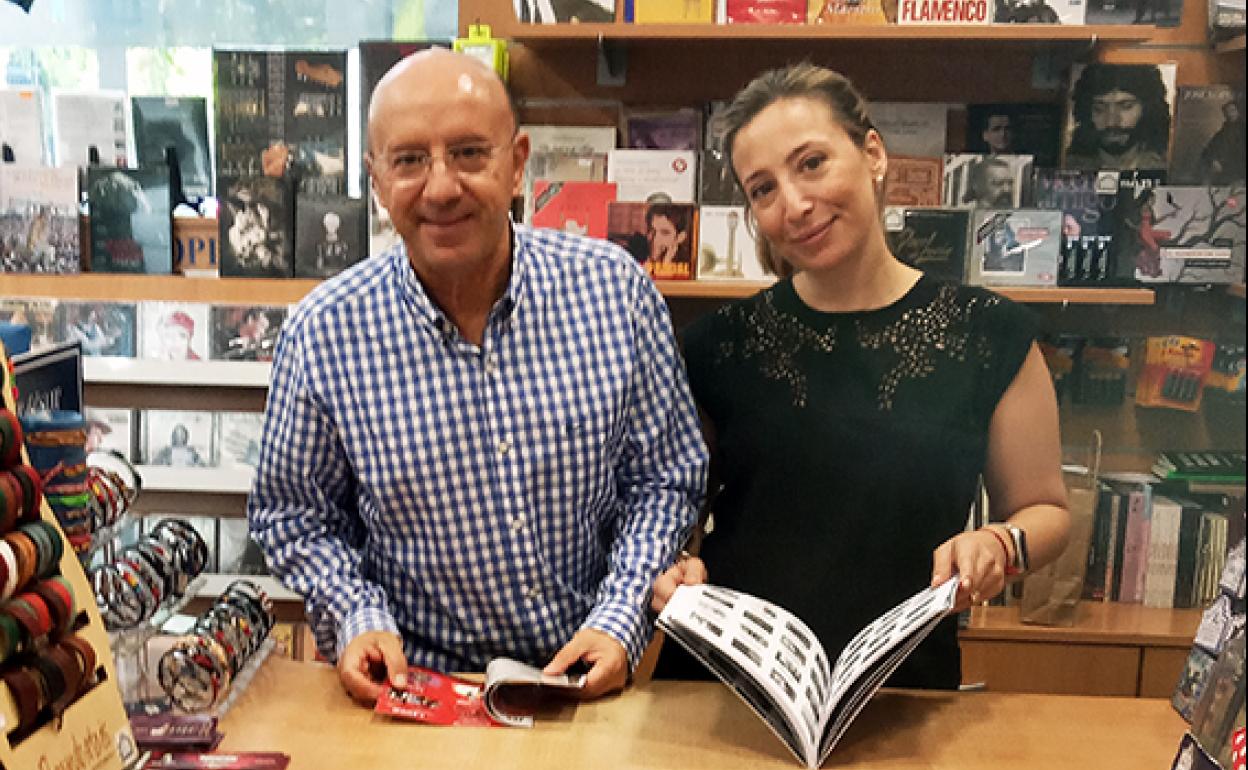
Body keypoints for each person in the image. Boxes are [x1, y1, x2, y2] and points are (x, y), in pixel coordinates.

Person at [247, 49, 707, 705]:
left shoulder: (615, 293)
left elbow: (664, 479)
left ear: (517, 163)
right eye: (408, 161)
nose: (440, 187)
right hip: (418, 693)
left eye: (468, 153)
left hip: (588, 677)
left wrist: (620, 618)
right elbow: (296, 515)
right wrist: (355, 614)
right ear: (376, 179)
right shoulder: (323, 332)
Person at [650, 63, 1071, 690]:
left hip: (899, 691)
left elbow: (1046, 510)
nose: (795, 204)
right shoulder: (715, 346)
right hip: (727, 690)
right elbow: (675, 516)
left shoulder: (990, 335)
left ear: (872, 152)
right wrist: (675, 567)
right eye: (763, 189)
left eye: (812, 163)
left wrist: (999, 543)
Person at [1063, 63, 1171, 171]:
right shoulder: (1068, 166)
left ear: (1148, 109)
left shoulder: (1169, 165)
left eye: (1126, 107)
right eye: (1099, 109)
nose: (1111, 122)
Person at [1198, 98, 1246, 185]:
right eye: (1227, 112)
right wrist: (1213, 160)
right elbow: (1208, 150)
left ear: (1238, 112)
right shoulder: (1222, 132)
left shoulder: (1243, 130)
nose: (1230, 114)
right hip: (1224, 174)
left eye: (1233, 110)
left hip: (1240, 174)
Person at [644, 203, 693, 279]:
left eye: (664, 232)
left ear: (680, 237)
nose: (655, 239)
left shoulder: (687, 269)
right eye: (652, 230)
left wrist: (665, 265)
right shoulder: (637, 258)